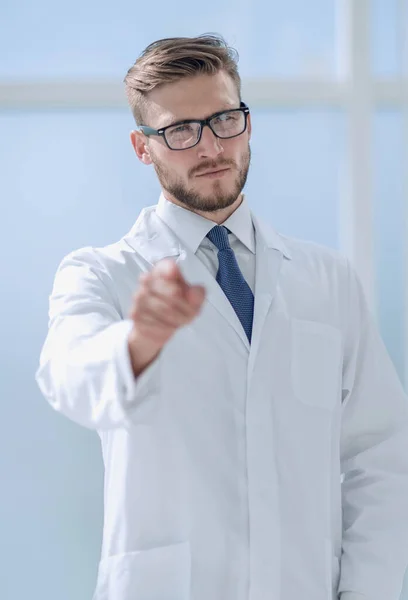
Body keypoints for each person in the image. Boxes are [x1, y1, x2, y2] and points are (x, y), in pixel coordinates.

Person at [35, 34, 408, 600]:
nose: (210, 146)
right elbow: (68, 375)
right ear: (143, 147)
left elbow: (379, 458)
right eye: (180, 131)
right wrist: (139, 342)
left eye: (224, 120)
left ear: (248, 123)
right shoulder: (100, 274)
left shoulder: (328, 279)